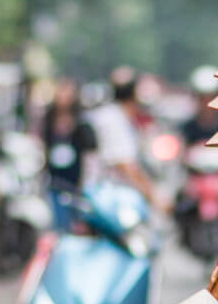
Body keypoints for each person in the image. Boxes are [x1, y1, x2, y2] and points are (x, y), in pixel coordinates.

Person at [88, 70, 158, 207]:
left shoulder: (111, 115)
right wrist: (153, 197)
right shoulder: (114, 119)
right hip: (108, 196)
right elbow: (126, 165)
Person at [40, 78, 96, 207]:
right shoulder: (49, 119)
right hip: (55, 182)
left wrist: (86, 183)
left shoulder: (82, 123)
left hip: (76, 182)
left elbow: (90, 155)